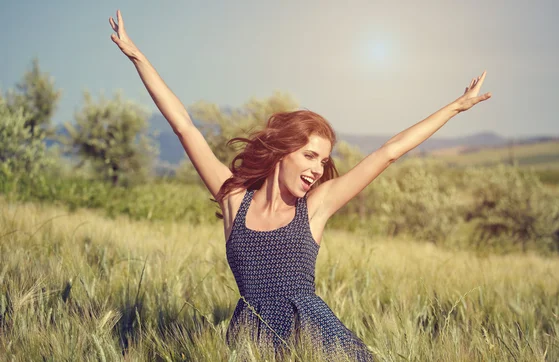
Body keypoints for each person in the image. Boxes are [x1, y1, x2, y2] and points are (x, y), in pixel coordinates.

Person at [109, 9, 491, 361]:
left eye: (323, 161)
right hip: (250, 342)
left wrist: (455, 107)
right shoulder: (234, 201)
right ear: (282, 151)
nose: (317, 169)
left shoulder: (316, 206)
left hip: (317, 340)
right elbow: (184, 126)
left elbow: (388, 152)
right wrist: (138, 58)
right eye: (310, 156)